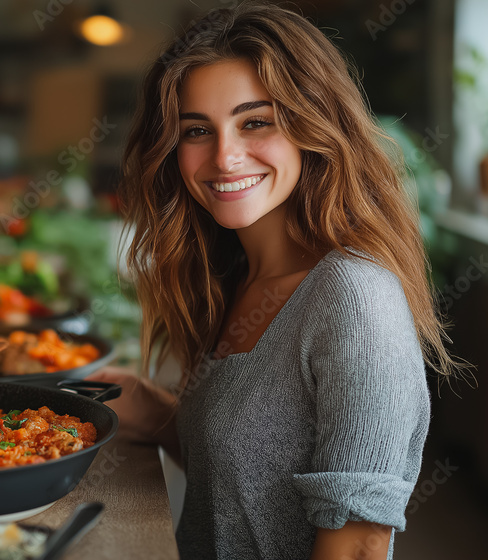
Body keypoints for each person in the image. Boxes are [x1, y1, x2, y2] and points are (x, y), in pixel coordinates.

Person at [89, 4, 464, 559]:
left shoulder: (354, 299)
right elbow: (247, 490)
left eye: (255, 121)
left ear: (314, 124)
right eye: (197, 130)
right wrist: (159, 411)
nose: (224, 156)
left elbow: (358, 544)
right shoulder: (232, 276)